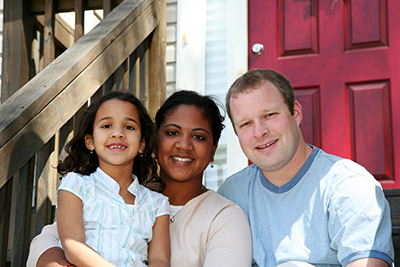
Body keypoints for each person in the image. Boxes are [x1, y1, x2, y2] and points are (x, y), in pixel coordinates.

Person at [27, 90, 252, 267]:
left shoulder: (224, 217)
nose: (184, 144)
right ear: (154, 141)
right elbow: (47, 241)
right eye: (172, 133)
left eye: (199, 136)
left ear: (213, 150)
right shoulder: (97, 188)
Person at [217, 68, 394, 267]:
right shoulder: (232, 193)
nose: (259, 132)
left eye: (269, 115)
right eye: (246, 124)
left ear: (296, 113)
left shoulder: (348, 184)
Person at [54, 91, 170, 267]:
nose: (118, 133)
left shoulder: (157, 204)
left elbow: (159, 259)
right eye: (107, 126)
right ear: (90, 141)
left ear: (141, 144)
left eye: (129, 127)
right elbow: (72, 245)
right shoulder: (76, 185)